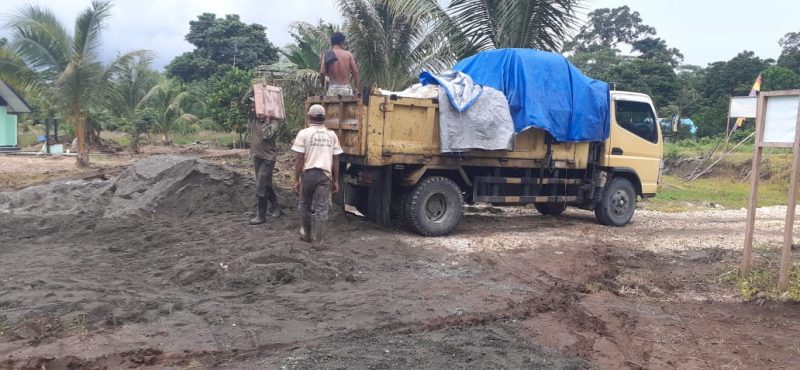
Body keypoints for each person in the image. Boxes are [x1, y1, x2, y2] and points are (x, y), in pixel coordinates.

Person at [291, 104, 343, 249]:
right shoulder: (331, 135)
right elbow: (336, 159)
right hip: (324, 176)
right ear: (324, 118)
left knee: (305, 205)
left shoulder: (304, 133)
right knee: (322, 208)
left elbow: (300, 158)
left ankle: (307, 235)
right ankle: (319, 242)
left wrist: (296, 180)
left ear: (310, 117)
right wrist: (336, 180)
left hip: (308, 175)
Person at [248, 103, 282, 225]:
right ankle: (276, 206)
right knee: (266, 184)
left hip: (268, 159)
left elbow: (266, 136)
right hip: (257, 157)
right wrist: (253, 91)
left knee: (261, 184)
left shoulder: (274, 123)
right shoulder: (255, 119)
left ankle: (261, 216)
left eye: (256, 108)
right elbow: (243, 102)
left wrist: (268, 119)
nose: (253, 110)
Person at [320, 32, 360, 96]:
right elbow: (355, 72)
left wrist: (322, 85)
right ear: (342, 43)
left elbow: (322, 72)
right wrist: (356, 88)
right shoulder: (348, 54)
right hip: (346, 89)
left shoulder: (327, 54)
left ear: (331, 43)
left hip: (333, 89)